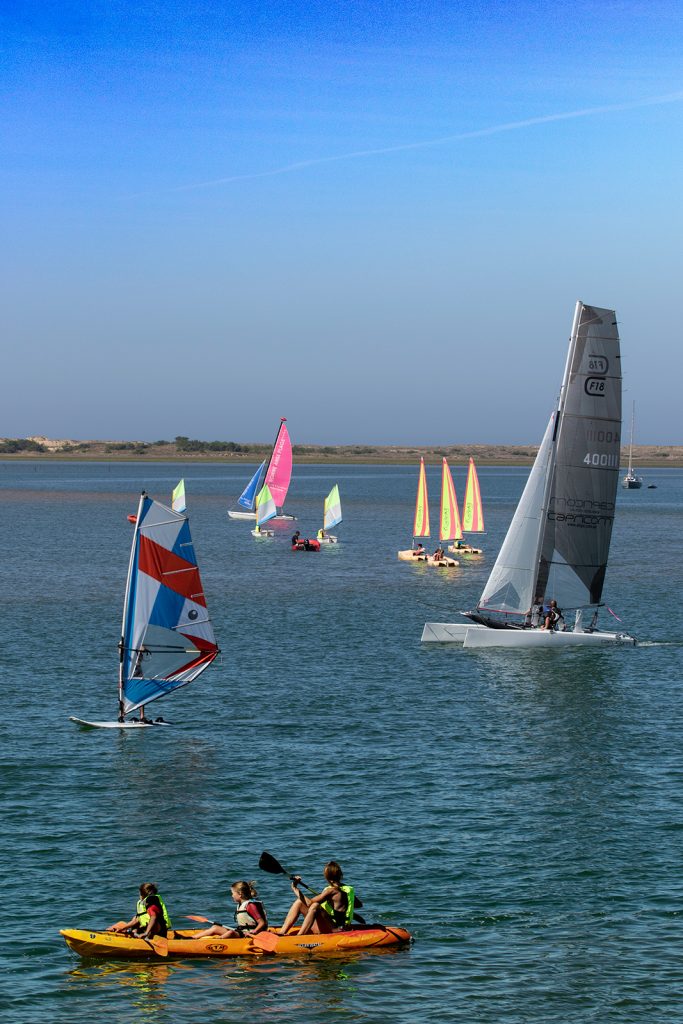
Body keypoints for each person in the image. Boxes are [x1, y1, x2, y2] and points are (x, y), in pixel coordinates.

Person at [279, 861, 362, 936]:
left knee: (312, 905)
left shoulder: (331, 891)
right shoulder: (346, 890)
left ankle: (298, 937)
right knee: (301, 903)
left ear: (327, 877)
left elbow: (309, 903)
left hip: (334, 930)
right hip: (340, 926)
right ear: (340, 875)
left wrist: (295, 888)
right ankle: (282, 933)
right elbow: (358, 905)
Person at [189, 881, 268, 940]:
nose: (232, 895)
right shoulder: (240, 905)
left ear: (240, 894)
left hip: (251, 934)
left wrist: (254, 931)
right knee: (215, 927)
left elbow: (262, 923)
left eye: (233, 893)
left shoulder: (250, 906)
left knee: (231, 932)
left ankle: (216, 943)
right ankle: (191, 938)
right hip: (242, 932)